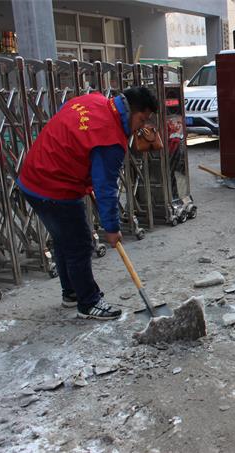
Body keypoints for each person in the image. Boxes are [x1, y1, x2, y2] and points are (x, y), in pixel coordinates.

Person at [19, 87, 158, 320]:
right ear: (131, 111)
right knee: (80, 244)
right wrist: (112, 228)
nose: (140, 129)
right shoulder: (110, 139)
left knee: (65, 240)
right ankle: (88, 302)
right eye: (142, 120)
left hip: (33, 176)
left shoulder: (93, 100)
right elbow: (105, 188)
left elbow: (67, 117)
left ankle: (71, 292)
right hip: (54, 185)